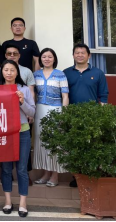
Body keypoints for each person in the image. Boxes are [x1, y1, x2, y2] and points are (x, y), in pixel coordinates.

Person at [64, 43, 109, 188]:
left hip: (92, 116)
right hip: (72, 115)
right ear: (73, 55)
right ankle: (76, 176)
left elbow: (103, 95)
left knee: (90, 146)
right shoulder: (66, 73)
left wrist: (102, 115)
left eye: (82, 53)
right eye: (77, 53)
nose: (80, 55)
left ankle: (89, 175)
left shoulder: (98, 73)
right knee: (73, 146)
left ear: (89, 55)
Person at [0, 60, 36, 218]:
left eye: (12, 70)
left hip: (22, 132)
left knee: (21, 169)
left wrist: (22, 101)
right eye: (6, 70)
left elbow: (32, 112)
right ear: (2, 72)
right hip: (4, 133)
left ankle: (22, 203)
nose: (9, 73)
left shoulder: (24, 89)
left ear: (17, 72)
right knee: (6, 169)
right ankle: (8, 201)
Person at [33, 48, 69, 188]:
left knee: (55, 143)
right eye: (44, 57)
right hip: (40, 110)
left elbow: (65, 96)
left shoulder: (60, 74)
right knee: (42, 142)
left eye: (49, 57)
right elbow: (33, 94)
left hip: (56, 110)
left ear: (54, 59)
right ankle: (45, 174)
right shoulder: (36, 74)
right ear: (40, 59)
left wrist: (64, 113)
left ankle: (55, 175)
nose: (46, 59)